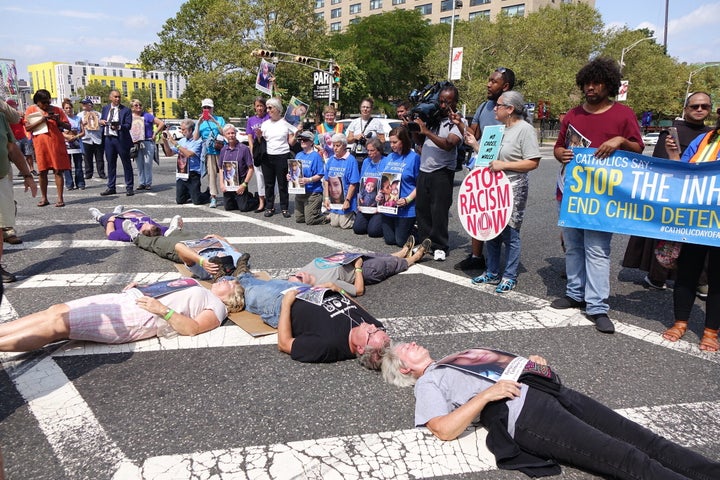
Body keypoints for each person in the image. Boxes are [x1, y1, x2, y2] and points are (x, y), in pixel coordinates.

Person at [381, 341, 720, 480]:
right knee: (625, 457)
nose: (412, 344)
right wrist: (487, 397)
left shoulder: (453, 357)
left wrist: (530, 364)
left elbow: (500, 365)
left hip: (546, 390)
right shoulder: (428, 382)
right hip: (526, 415)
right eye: (405, 349)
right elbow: (442, 428)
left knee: (643, 438)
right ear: (405, 368)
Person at [552, 57, 643, 334]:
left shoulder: (623, 114)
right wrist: (561, 154)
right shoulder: (572, 114)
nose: (590, 88)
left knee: (597, 250)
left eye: (597, 83)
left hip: (603, 196)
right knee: (574, 245)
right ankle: (574, 293)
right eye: (587, 83)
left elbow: (638, 148)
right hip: (571, 191)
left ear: (609, 85)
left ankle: (597, 306)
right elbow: (558, 147)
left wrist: (620, 141)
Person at [0, 277, 245, 352]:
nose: (227, 279)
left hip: (137, 316)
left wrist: (164, 311)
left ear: (231, 297)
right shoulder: (200, 284)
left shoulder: (218, 306)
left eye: (232, 283)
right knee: (55, 311)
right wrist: (144, 286)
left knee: (57, 325)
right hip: (128, 300)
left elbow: (192, 328)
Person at [622, 91, 713, 291]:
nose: (699, 110)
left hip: (703, 196)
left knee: (700, 238)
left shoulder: (711, 136)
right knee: (667, 237)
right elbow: (661, 168)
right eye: (694, 106)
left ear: (710, 109)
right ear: (686, 109)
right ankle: (657, 277)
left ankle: (700, 281)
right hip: (674, 194)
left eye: (704, 106)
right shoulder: (672, 132)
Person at [467, 91, 540, 294]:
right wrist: (474, 144)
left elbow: (533, 162)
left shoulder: (524, 129)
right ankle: (491, 271)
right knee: (491, 230)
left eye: (498, 105)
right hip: (493, 187)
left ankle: (509, 275)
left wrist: (505, 165)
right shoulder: (497, 130)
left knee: (510, 233)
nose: (494, 108)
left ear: (510, 109)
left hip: (513, 187)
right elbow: (487, 156)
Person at [662, 117, 720, 352]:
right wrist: (673, 154)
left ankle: (710, 331)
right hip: (697, 218)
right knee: (688, 271)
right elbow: (682, 171)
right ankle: (680, 322)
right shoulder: (705, 139)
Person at [455, 67, 516, 272]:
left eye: (493, 81)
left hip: (504, 167)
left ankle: (506, 264)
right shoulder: (483, 107)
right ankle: (476, 256)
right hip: (482, 165)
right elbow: (473, 134)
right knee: (478, 210)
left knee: (502, 214)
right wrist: (460, 124)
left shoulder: (514, 108)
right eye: (489, 80)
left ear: (505, 86)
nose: (488, 84)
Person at [274, 282, 389, 365]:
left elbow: (284, 344)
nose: (373, 326)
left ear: (360, 349)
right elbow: (359, 309)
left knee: (257, 286)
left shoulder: (327, 345)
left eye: (372, 333)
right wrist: (340, 291)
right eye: (377, 330)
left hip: (281, 301)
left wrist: (286, 304)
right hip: (309, 290)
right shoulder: (373, 327)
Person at [412, 84, 463, 261]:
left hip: (442, 172)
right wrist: (414, 127)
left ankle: (440, 245)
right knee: (423, 209)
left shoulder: (456, 122)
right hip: (424, 168)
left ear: (455, 102)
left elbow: (449, 145)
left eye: (447, 102)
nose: (443, 105)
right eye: (441, 101)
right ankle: (425, 243)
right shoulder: (433, 118)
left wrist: (426, 131)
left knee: (439, 211)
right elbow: (419, 139)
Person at [290, 237, 431, 297]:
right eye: (299, 279)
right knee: (381, 265)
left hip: (347, 258)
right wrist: (358, 267)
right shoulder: (325, 283)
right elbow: (358, 291)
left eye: (296, 275)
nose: (299, 275)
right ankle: (413, 258)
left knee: (376, 254)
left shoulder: (304, 271)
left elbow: (324, 260)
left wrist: (338, 254)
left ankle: (401, 252)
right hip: (360, 270)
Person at [0, 99, 38, 282]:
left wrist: (27, 175)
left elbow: (11, 148)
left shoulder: (1, 117)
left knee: (0, 226)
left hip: (0, 180)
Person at [24, 89, 71, 207]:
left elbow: (68, 126)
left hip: (56, 143)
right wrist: (42, 120)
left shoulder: (57, 110)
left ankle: (60, 198)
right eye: (43, 102)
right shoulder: (31, 110)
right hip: (40, 145)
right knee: (42, 171)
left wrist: (58, 120)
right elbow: (28, 128)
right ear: (37, 102)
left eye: (48, 102)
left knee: (58, 170)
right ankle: (44, 198)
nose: (46, 105)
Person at [382, 127, 421, 247]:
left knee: (401, 241)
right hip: (389, 206)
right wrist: (380, 194)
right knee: (389, 240)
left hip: (406, 207)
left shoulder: (414, 158)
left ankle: (421, 232)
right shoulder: (389, 158)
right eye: (390, 142)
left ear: (403, 141)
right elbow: (384, 181)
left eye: (395, 142)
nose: (392, 145)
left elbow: (420, 185)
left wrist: (407, 199)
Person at [260, 97, 297, 218]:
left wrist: (296, 134)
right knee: (269, 184)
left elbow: (291, 142)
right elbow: (263, 141)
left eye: (270, 107)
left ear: (278, 109)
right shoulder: (264, 124)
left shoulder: (286, 123)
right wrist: (258, 136)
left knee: (282, 183)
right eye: (267, 108)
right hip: (268, 156)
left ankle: (284, 207)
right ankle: (269, 206)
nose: (268, 110)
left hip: (282, 155)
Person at [162, 119, 211, 205]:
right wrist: (165, 141)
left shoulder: (197, 141)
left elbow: (189, 154)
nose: (182, 131)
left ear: (191, 130)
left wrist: (175, 143)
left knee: (197, 201)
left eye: (184, 129)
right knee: (180, 200)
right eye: (181, 129)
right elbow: (169, 153)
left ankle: (207, 194)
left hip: (193, 173)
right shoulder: (182, 141)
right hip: (182, 172)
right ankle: (190, 193)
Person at [98, 90, 134, 196]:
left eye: (119, 97)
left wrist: (118, 126)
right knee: (110, 164)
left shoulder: (126, 110)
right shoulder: (105, 108)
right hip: (108, 139)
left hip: (121, 140)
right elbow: (102, 120)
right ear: (110, 98)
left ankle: (129, 187)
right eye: (115, 97)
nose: (117, 99)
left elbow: (128, 125)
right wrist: (101, 122)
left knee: (126, 163)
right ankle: (111, 186)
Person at [193, 98, 226, 208]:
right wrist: (198, 123)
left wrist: (214, 121)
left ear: (212, 108)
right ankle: (213, 197)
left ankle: (229, 194)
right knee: (211, 175)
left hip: (220, 148)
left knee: (226, 172)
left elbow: (224, 132)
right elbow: (195, 137)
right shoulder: (200, 122)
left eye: (208, 107)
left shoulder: (219, 119)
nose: (206, 109)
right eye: (204, 107)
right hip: (208, 151)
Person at [219, 124, 258, 212]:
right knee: (228, 207)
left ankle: (255, 199)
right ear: (225, 135)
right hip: (228, 181)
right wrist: (221, 184)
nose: (231, 135)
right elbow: (221, 168)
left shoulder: (244, 149)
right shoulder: (223, 150)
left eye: (232, 133)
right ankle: (245, 196)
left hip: (241, 180)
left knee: (243, 208)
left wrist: (244, 184)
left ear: (236, 134)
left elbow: (251, 168)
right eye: (228, 133)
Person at [323, 133, 359, 229]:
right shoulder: (331, 160)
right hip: (334, 199)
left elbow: (353, 183)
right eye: (333, 145)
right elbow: (327, 180)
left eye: (338, 145)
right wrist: (326, 198)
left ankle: (355, 215)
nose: (335, 148)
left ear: (344, 146)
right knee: (334, 224)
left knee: (344, 225)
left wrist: (347, 200)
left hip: (346, 198)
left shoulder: (351, 160)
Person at [88, 205, 182, 242]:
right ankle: (117, 211)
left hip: (114, 220)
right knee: (116, 212)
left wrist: (111, 221)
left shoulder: (129, 232)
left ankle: (97, 216)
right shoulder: (157, 230)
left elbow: (110, 234)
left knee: (104, 217)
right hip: (129, 214)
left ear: (142, 231)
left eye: (146, 225)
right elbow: (167, 231)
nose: (146, 223)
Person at [354, 137, 387, 237]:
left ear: (379, 150)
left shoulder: (386, 162)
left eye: (372, 150)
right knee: (358, 229)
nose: (369, 153)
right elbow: (361, 184)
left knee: (373, 232)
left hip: (380, 203)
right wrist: (359, 202)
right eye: (367, 150)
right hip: (367, 203)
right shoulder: (366, 162)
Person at [130, 99, 164, 191]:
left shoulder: (147, 115)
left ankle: (148, 183)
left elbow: (161, 123)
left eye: (140, 105)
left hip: (147, 141)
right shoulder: (130, 117)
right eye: (136, 105)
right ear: (132, 107)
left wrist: (155, 133)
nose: (139, 107)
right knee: (139, 164)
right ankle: (141, 182)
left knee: (147, 163)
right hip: (136, 142)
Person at [292, 130, 326, 225]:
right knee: (299, 219)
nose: (302, 141)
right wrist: (290, 175)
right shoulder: (299, 154)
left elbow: (320, 174)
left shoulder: (316, 156)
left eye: (305, 139)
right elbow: (295, 172)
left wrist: (309, 180)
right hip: (300, 191)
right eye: (300, 139)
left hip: (313, 192)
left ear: (311, 142)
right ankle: (313, 211)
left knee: (310, 220)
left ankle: (326, 217)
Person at [346, 98, 385, 165]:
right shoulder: (354, 122)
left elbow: (383, 141)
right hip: (357, 155)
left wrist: (371, 142)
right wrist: (356, 137)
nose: (365, 109)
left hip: (371, 155)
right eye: (363, 107)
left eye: (367, 107)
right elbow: (348, 140)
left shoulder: (377, 123)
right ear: (360, 108)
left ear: (371, 109)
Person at [247, 97, 268, 213]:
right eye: (257, 105)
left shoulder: (269, 117)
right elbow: (249, 136)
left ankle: (270, 202)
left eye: (261, 105)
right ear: (254, 107)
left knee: (269, 178)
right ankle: (261, 203)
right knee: (259, 177)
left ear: (265, 107)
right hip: (257, 150)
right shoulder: (251, 120)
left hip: (268, 149)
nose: (259, 108)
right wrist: (252, 149)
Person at [61, 98, 85, 191]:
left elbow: (83, 132)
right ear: (63, 109)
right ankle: (69, 184)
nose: (68, 109)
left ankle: (80, 183)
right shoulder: (62, 119)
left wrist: (76, 136)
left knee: (78, 165)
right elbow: (59, 131)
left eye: (70, 107)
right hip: (66, 144)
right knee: (67, 166)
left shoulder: (78, 118)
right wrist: (67, 136)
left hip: (77, 143)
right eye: (66, 108)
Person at [78, 97, 104, 179]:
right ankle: (88, 173)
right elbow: (76, 126)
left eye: (85, 104)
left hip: (97, 137)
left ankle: (101, 172)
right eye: (83, 104)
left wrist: (100, 122)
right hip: (86, 138)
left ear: (90, 105)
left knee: (99, 157)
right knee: (87, 157)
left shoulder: (98, 114)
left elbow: (103, 123)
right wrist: (82, 124)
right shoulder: (80, 115)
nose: (84, 105)